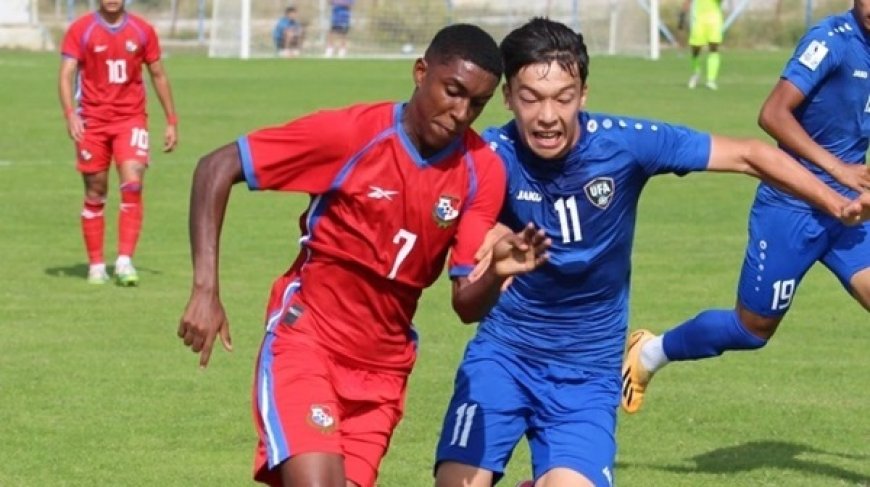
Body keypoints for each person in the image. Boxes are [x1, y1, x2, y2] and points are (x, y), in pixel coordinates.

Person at [432, 17, 870, 487]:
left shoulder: (623, 144)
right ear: (507, 97)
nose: (547, 116)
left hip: (586, 376)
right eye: (531, 98)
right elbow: (453, 274)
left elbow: (748, 154)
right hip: (504, 359)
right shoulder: (488, 158)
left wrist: (836, 203)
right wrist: (493, 263)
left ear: (583, 94)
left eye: (563, 97)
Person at [177, 24, 550, 487]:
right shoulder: (352, 135)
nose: (460, 113)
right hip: (308, 342)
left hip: (382, 373)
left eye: (476, 104)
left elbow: (465, 305)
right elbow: (216, 167)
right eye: (452, 91)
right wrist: (205, 289)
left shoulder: (481, 170)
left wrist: (495, 273)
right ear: (421, 72)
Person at [622, 2, 870, 415]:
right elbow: (772, 113)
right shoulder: (831, 41)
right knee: (751, 330)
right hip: (791, 208)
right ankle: (650, 352)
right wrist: (838, 169)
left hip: (850, 213)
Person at [58, 0, 178, 286]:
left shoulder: (143, 30)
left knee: (133, 183)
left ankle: (125, 261)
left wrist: (171, 120)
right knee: (95, 190)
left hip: (131, 119)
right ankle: (96, 265)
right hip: (92, 122)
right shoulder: (81, 30)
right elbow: (66, 74)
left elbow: (158, 74)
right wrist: (70, 114)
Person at [679, 0, 724, 89]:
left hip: (714, 19)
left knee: (714, 47)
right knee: (695, 48)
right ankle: (696, 72)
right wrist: (682, 17)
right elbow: (687, 1)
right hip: (699, 20)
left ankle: (711, 80)